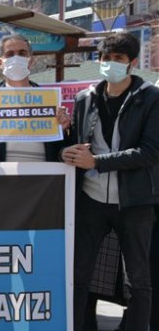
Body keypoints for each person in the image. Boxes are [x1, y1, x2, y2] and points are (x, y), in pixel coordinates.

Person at [61, 33, 158, 331]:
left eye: (118, 59)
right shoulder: (84, 98)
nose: (110, 64)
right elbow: (81, 145)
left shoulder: (151, 98)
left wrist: (98, 163)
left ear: (131, 63)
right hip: (90, 201)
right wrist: (67, 146)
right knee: (78, 277)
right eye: (105, 59)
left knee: (138, 281)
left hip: (134, 202)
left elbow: (150, 152)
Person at [0, 35, 71, 161]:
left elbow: (63, 150)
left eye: (22, 53)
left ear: (31, 60)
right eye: (10, 54)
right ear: (1, 63)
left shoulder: (49, 100)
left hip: (44, 177)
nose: (16, 58)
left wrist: (65, 128)